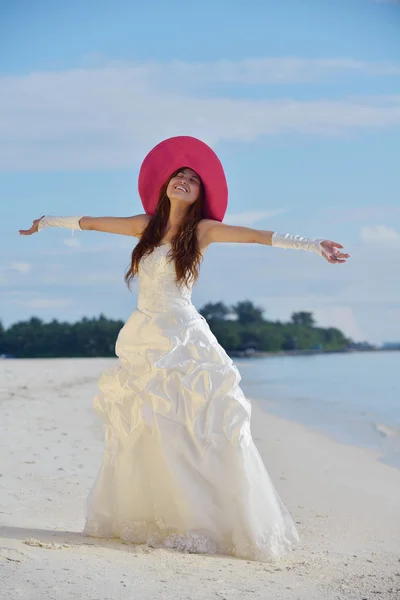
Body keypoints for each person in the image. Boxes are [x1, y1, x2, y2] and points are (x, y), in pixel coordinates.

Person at [19, 136, 349, 562]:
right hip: (145, 338)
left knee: (198, 428)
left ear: (200, 194)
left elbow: (255, 237)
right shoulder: (145, 226)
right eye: (179, 175)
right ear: (166, 184)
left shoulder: (203, 231)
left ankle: (209, 519)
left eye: (192, 179)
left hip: (185, 339)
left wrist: (311, 243)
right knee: (150, 427)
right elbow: (92, 223)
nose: (184, 180)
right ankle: (160, 514)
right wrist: (45, 221)